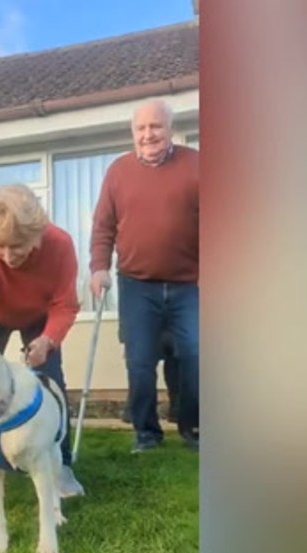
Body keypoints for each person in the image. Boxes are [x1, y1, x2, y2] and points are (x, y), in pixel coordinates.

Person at [0, 184, 86, 508]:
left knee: (51, 380)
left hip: (39, 317)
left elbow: (65, 304)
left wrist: (47, 340)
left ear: (37, 234)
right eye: (1, 247)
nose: (8, 256)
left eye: (18, 247)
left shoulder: (60, 244)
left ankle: (60, 464)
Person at [90, 98, 200, 452]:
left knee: (195, 357)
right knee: (139, 361)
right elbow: (103, 226)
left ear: (170, 129)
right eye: (141, 128)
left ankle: (193, 428)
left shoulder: (196, 164)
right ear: (132, 132)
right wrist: (98, 267)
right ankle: (146, 433)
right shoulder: (118, 171)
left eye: (156, 127)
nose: (148, 135)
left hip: (189, 284)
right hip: (136, 284)